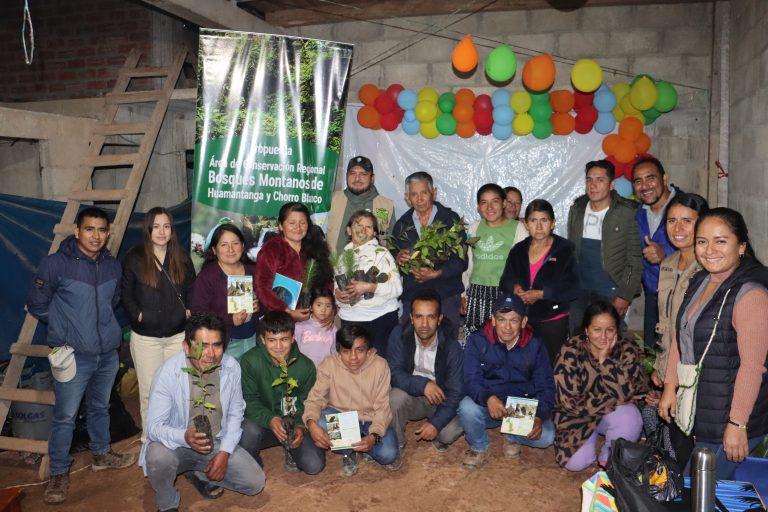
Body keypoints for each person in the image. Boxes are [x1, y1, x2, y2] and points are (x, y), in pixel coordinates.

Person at [27, 207, 136, 505]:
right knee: (65, 416)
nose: (96, 236)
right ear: (77, 231)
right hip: (73, 354)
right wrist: (67, 328)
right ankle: (59, 473)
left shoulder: (113, 265)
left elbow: (112, 302)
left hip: (106, 353)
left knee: (101, 407)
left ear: (108, 233)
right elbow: (37, 304)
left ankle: (101, 453)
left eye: (102, 230)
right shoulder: (55, 265)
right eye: (90, 229)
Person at [658, 208, 768, 479]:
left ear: (741, 246)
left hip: (732, 417)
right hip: (707, 409)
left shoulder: (750, 293)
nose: (709, 250)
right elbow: (680, 337)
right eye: (702, 241)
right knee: (703, 491)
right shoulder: (700, 280)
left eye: (721, 241)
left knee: (697, 489)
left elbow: (753, 367)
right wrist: (670, 387)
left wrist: (738, 423)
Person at [140, 313, 264, 511]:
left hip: (215, 442)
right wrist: (184, 436)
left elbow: (235, 412)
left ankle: (199, 472)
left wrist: (224, 453)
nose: (210, 353)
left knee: (255, 483)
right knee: (157, 457)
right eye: (202, 345)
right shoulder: (168, 373)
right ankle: (167, 503)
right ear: (186, 347)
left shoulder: (231, 367)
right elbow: (153, 427)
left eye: (216, 345)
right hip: (176, 445)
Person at [121, 206, 196, 441]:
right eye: (156, 226)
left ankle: (175, 436)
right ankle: (150, 438)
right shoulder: (135, 257)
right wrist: (139, 316)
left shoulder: (181, 257)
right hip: (146, 339)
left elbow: (192, 288)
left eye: (166, 226)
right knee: (150, 390)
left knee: (178, 388)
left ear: (172, 230)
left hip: (177, 336)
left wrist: (188, 312)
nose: (161, 232)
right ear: (148, 229)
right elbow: (126, 294)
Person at [458, 293, 556, 470]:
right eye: (502, 320)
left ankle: (512, 434)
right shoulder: (477, 340)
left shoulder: (536, 345)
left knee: (547, 437)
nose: (507, 327)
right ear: (493, 320)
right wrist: (488, 397)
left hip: (519, 408)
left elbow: (546, 386)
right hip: (489, 406)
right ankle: (479, 447)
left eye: (514, 320)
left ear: (524, 322)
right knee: (466, 408)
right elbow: (470, 379)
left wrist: (540, 415)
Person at [553, 301, 649, 471]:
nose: (604, 336)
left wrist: (606, 361)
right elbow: (568, 401)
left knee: (630, 417)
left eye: (610, 330)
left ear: (616, 330)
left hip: (612, 414)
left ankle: (609, 454)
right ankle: (588, 447)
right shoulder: (570, 350)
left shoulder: (626, 350)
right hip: (577, 416)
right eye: (597, 330)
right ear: (586, 330)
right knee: (574, 464)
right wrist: (610, 402)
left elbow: (626, 394)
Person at [303, 325, 399, 477]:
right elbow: (315, 398)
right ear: (339, 351)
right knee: (319, 420)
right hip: (341, 418)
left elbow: (382, 408)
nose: (353, 357)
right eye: (346, 351)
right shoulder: (328, 364)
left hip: (370, 420)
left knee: (388, 454)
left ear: (368, 350)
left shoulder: (380, 366)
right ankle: (349, 451)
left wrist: (373, 436)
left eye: (359, 350)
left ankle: (362, 444)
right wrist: (310, 423)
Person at [239, 311, 326, 475]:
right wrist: (270, 419)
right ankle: (252, 459)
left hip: (292, 423)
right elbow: (248, 400)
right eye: (272, 340)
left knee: (314, 465)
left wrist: (300, 426)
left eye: (284, 339)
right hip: (263, 424)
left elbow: (308, 402)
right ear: (263, 340)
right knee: (247, 430)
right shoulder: (249, 361)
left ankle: (290, 449)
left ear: (293, 338)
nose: (278, 347)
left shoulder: (305, 366)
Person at [386, 289, 464, 463]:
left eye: (431, 317)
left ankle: (438, 430)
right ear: (411, 318)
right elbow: (394, 373)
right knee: (394, 398)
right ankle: (397, 444)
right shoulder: (399, 335)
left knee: (448, 433)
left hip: (440, 398)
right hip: (412, 395)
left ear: (440, 318)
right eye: (419, 317)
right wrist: (423, 384)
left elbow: (456, 391)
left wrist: (436, 423)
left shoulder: (452, 346)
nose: (424, 324)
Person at [567, 160, 642, 334]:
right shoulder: (577, 209)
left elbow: (634, 258)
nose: (593, 185)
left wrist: (624, 295)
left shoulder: (627, 212)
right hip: (578, 292)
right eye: (589, 180)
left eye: (600, 180)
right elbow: (572, 251)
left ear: (612, 184)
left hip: (611, 292)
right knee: (577, 340)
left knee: (609, 343)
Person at [499, 199, 578, 363]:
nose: (539, 226)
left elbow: (573, 287)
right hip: (524, 319)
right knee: (524, 365)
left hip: (553, 319)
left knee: (552, 366)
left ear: (553, 223)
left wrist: (542, 294)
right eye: (533, 221)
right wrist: (514, 287)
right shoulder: (518, 250)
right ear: (526, 224)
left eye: (544, 220)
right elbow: (505, 279)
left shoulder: (565, 249)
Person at [392, 171, 467, 331]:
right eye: (414, 194)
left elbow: (461, 261)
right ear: (407, 198)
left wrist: (438, 273)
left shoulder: (450, 220)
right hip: (414, 294)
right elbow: (391, 260)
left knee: (446, 346)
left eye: (424, 193)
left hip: (446, 294)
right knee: (410, 344)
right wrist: (398, 258)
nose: (419, 199)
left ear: (434, 193)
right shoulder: (401, 225)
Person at [334, 210, 402, 356]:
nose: (363, 230)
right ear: (349, 230)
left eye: (369, 227)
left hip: (380, 321)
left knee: (380, 367)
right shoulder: (342, 257)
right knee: (353, 368)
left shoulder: (382, 254)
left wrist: (371, 287)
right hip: (351, 320)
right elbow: (337, 288)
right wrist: (339, 296)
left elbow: (397, 289)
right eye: (358, 225)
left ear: (374, 233)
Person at [462, 184, 528, 335]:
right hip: (476, 293)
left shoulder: (518, 228)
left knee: (504, 339)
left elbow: (524, 267)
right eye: (484, 202)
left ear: (504, 203)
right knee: (476, 339)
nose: (490, 207)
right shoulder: (474, 228)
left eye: (495, 201)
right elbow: (467, 264)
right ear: (479, 207)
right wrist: (463, 294)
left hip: (506, 294)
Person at [632, 157, 682, 346]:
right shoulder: (639, 213)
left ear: (664, 177)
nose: (645, 186)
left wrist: (666, 256)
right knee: (652, 352)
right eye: (638, 181)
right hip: (653, 294)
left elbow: (701, 250)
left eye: (650, 178)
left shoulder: (687, 207)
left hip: (682, 293)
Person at [255, 202, 333, 323]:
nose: (298, 227)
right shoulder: (271, 250)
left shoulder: (317, 248)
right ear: (280, 225)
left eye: (302, 223)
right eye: (292, 223)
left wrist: (329, 312)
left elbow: (327, 283)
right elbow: (262, 288)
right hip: (280, 321)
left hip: (314, 320)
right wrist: (287, 311)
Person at [190, 223, 259, 361]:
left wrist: (258, 306)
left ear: (243, 246)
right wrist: (230, 319)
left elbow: (267, 303)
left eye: (235, 243)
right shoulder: (207, 276)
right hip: (225, 343)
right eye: (224, 245)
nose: (231, 249)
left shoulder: (254, 270)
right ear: (214, 250)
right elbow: (197, 312)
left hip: (253, 340)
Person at [326, 155, 395, 255]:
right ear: (346, 176)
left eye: (363, 174)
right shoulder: (332, 200)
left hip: (373, 269)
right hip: (334, 267)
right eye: (353, 173)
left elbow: (392, 246)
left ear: (372, 178)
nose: (357, 178)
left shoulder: (385, 206)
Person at [294, 287, 338, 367]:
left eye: (328, 306)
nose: (323, 310)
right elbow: (293, 352)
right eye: (319, 305)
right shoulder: (299, 326)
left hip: (324, 372)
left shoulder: (333, 329)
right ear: (311, 307)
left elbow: (334, 353)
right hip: (304, 370)